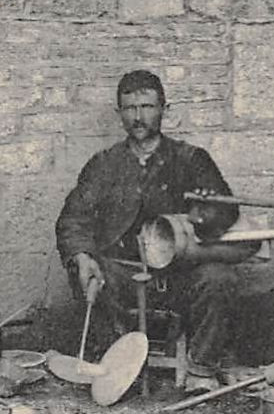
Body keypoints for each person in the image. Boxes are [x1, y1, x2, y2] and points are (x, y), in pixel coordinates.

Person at [55, 70, 250, 391]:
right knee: (88, 273)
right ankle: (115, 367)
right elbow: (73, 218)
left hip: (180, 274)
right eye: (130, 109)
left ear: (164, 109)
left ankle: (201, 367)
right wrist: (81, 256)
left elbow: (226, 208)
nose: (138, 117)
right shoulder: (103, 164)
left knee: (218, 278)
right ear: (119, 113)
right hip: (123, 275)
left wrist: (202, 216)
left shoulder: (191, 159)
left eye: (147, 107)